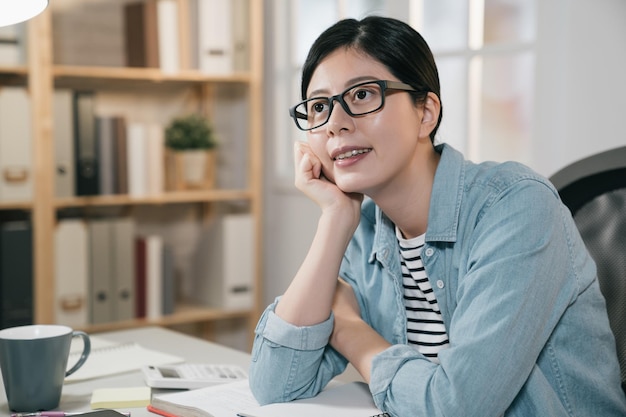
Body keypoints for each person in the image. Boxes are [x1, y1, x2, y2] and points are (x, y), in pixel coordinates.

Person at [248, 15, 626, 417]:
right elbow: (275, 384)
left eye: (362, 95)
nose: (335, 124)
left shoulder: (517, 207)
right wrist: (335, 220)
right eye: (319, 106)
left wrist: (350, 330)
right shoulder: (366, 231)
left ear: (426, 113)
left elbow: (457, 407)